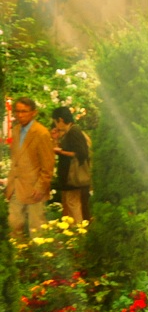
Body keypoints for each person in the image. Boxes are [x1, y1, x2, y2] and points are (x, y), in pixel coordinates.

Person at [5, 97, 55, 237]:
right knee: (14, 225)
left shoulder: (41, 133)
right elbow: (16, 160)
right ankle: (18, 250)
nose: (20, 115)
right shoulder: (16, 130)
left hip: (35, 189)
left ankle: (39, 252)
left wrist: (41, 187)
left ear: (34, 113)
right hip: (16, 187)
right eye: (17, 111)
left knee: (37, 230)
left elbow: (48, 164)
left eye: (24, 111)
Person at [51, 106, 90, 224]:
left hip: (73, 176)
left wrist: (61, 152)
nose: (56, 126)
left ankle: (78, 231)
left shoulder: (74, 131)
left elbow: (81, 153)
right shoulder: (69, 132)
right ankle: (74, 231)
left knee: (73, 205)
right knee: (70, 205)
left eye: (55, 122)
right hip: (68, 176)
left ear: (61, 120)